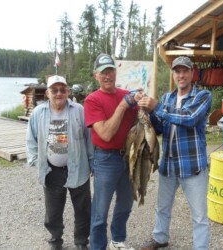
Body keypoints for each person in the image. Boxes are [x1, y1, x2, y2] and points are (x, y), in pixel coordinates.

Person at [138, 56, 212, 250]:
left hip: (192, 166)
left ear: (192, 73)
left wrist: (157, 107)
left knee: (199, 216)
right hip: (168, 165)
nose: (181, 75)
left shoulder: (202, 96)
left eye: (185, 71)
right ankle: (160, 238)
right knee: (162, 207)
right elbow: (161, 128)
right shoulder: (167, 98)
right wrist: (148, 113)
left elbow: (189, 118)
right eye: (177, 71)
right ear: (173, 74)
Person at [26, 75, 93, 250]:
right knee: (53, 212)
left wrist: (91, 162)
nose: (58, 93)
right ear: (47, 93)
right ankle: (55, 241)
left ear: (68, 92)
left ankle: (81, 242)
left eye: (62, 90)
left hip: (78, 168)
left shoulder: (79, 109)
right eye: (54, 90)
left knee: (83, 210)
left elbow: (89, 138)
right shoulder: (38, 113)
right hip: (51, 170)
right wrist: (35, 161)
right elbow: (31, 139)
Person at [84, 53, 140, 250]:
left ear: (116, 72)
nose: (108, 75)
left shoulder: (126, 94)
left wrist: (144, 102)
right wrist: (124, 105)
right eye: (103, 72)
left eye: (110, 70)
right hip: (105, 159)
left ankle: (117, 241)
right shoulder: (92, 100)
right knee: (100, 210)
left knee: (125, 205)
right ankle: (98, 247)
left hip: (129, 156)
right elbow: (106, 134)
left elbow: (141, 119)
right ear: (96, 76)